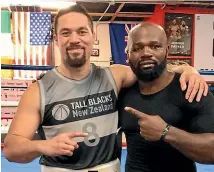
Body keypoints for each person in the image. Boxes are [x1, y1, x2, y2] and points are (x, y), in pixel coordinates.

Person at [3, 4, 209, 172]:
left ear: (92, 36)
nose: (74, 39)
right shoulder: (39, 90)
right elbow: (12, 148)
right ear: (56, 39)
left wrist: (188, 69)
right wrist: (43, 146)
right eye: (66, 33)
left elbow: (152, 69)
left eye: (81, 31)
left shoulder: (115, 76)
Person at [118, 22, 214, 172]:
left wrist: (166, 132)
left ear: (167, 50)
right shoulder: (123, 91)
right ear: (128, 54)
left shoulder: (190, 88)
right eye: (137, 48)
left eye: (155, 46)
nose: (146, 53)